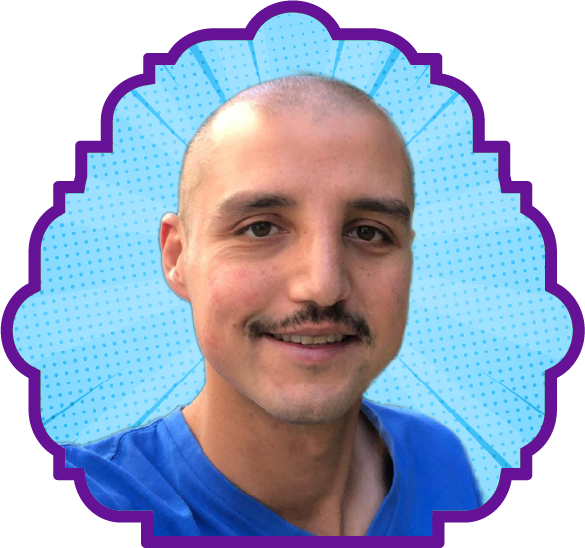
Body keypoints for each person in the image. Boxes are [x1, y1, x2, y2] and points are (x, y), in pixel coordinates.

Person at [64, 75, 482, 536]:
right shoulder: (84, 509)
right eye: (260, 228)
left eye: (368, 233)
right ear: (178, 257)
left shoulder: (438, 460)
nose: (323, 286)